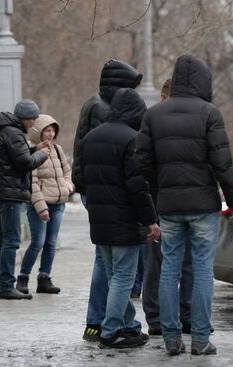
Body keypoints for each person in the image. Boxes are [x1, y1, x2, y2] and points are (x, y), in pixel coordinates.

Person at [136, 54, 233, 356]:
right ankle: (199, 339)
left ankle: (171, 339)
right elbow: (222, 163)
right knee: (200, 270)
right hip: (203, 205)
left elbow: (141, 162)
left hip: (169, 206)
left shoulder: (154, 115)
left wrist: (161, 188)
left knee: (169, 269)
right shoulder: (209, 113)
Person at [80, 88, 159, 349]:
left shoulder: (90, 137)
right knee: (123, 277)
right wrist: (150, 220)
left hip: (99, 219)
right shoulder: (131, 139)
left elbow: (82, 178)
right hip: (124, 220)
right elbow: (137, 186)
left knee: (116, 276)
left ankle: (130, 326)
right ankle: (110, 331)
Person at [72, 59, 143, 341]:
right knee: (110, 265)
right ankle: (99, 322)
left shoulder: (93, 104)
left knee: (111, 264)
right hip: (108, 195)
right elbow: (115, 161)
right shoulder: (104, 110)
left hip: (95, 191)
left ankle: (122, 323)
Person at [141, 78, 195, 336]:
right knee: (183, 262)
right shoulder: (193, 120)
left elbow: (143, 164)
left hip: (159, 200)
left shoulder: (151, 120)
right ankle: (184, 315)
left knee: (158, 263)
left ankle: (157, 318)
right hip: (180, 202)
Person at [0, 99, 50, 300]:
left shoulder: (5, 130)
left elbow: (16, 157)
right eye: (33, 119)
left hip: (2, 192)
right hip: (9, 193)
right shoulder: (13, 133)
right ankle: (6, 285)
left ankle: (1, 285)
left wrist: (34, 149)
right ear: (26, 118)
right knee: (11, 241)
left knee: (4, 240)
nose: (34, 124)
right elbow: (24, 163)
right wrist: (42, 154)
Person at [16, 114, 74, 295]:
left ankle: (44, 278)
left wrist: (67, 187)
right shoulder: (31, 151)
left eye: (52, 130)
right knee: (38, 242)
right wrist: (41, 208)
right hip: (39, 205)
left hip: (58, 204)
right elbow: (31, 183)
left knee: (51, 242)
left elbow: (67, 171)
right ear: (38, 132)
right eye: (46, 130)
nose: (50, 134)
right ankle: (23, 277)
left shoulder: (57, 149)